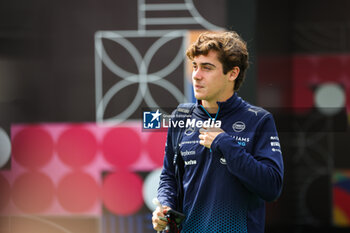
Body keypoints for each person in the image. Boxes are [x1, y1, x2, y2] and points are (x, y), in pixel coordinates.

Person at [152, 31, 284, 233]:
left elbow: (272, 186)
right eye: (195, 66)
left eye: (207, 68)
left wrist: (224, 143)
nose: (196, 75)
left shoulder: (258, 120)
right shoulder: (181, 116)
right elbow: (169, 176)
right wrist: (165, 207)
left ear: (232, 73)